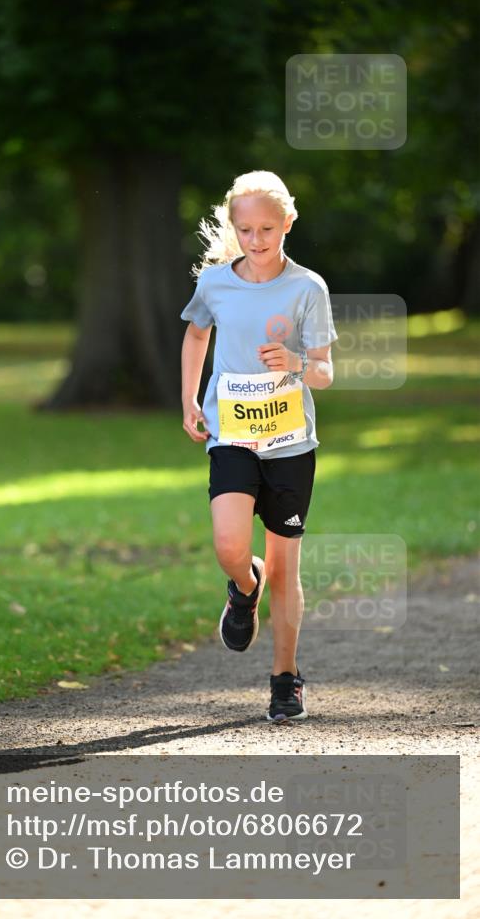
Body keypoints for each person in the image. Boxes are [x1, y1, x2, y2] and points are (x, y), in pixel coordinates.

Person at [180, 170, 337, 724]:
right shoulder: (216, 285)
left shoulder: (307, 287)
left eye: (267, 228)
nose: (256, 240)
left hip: (290, 444)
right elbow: (196, 334)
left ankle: (285, 679)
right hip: (233, 437)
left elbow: (324, 372)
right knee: (230, 546)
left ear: (287, 223)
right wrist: (190, 400)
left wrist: (296, 363)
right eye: (244, 229)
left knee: (285, 565)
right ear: (234, 228)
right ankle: (243, 588)